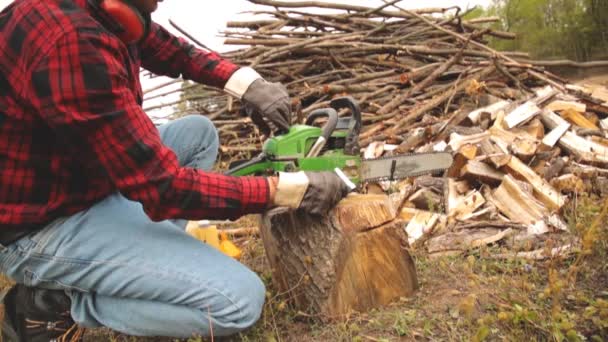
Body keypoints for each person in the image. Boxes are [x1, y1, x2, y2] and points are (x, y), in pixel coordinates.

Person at [0, 0, 350, 340]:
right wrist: (284, 190)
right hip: (41, 226)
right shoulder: (70, 43)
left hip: (79, 181)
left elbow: (176, 52)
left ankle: (153, 268)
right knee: (238, 302)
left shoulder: (104, 11)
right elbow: (164, 188)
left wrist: (248, 85)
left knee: (196, 134)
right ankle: (59, 301)